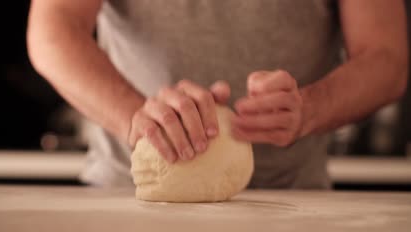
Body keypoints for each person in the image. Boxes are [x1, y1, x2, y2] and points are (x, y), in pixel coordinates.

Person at [27, 0, 408, 188]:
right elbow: (52, 29)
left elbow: (387, 57)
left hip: (293, 210)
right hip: (129, 196)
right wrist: (137, 116)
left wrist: (310, 108)